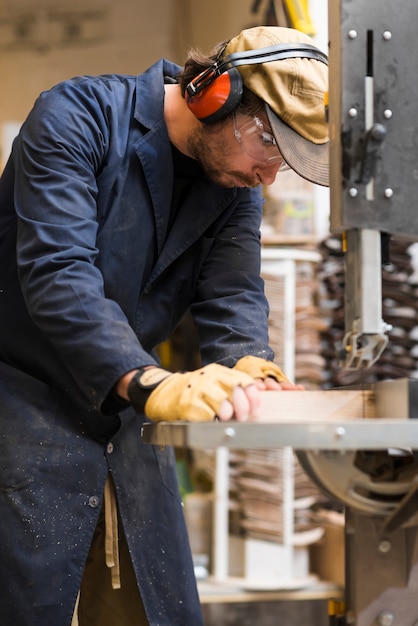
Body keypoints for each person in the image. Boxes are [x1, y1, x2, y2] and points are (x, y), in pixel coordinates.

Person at [0, 24, 328, 626]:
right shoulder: (78, 116)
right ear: (217, 97)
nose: (269, 177)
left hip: (130, 415)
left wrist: (246, 364)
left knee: (161, 610)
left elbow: (232, 291)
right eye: (272, 150)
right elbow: (57, 274)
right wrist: (151, 381)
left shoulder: (232, 184)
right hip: (24, 401)